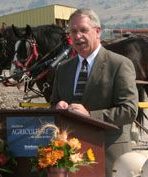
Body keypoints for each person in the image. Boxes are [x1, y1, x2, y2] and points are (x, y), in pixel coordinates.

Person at [50, 8, 138, 177]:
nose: (77, 36)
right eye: (73, 31)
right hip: (71, 160)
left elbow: (129, 111)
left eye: (83, 30)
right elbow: (53, 103)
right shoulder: (63, 69)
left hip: (110, 158)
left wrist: (90, 115)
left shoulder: (119, 64)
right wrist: (57, 107)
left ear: (98, 31)